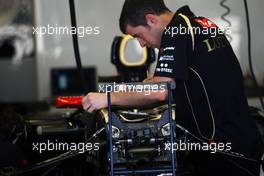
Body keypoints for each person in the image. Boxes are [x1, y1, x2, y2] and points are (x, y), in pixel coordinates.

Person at [82, 0, 263, 175]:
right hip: (241, 141)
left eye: (138, 35)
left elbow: (161, 89)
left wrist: (106, 97)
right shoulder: (199, 23)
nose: (142, 44)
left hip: (222, 151)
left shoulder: (175, 30)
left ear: (151, 19)